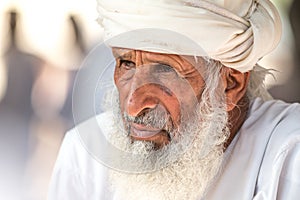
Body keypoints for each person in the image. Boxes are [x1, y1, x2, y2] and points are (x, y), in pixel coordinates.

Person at [48, 0, 300, 199]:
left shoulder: (289, 159)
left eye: (165, 70)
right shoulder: (83, 156)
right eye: (126, 63)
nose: (133, 106)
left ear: (230, 84)